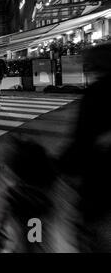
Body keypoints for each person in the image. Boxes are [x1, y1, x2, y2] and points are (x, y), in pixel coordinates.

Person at [59, 43, 111, 252]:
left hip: (100, 172)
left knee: (84, 224)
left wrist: (60, 166)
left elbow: (82, 139)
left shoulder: (96, 94)